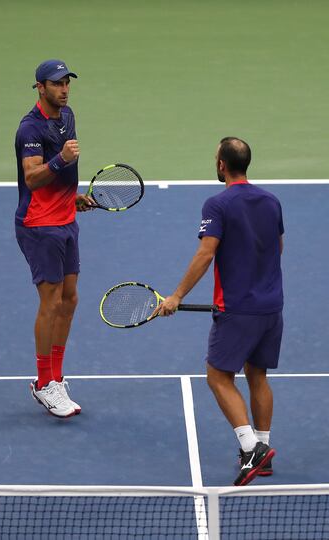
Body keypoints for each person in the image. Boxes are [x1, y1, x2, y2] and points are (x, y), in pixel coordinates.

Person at [154, 137, 284, 486]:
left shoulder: (217, 204)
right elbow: (278, 248)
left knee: (217, 377)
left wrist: (176, 296)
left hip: (237, 309)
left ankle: (250, 446)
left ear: (222, 165)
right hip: (271, 307)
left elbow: (205, 254)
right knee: (258, 376)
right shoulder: (272, 201)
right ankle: (264, 453)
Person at [15, 59, 94, 418]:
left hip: (65, 218)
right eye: (56, 84)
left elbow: (60, 176)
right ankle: (44, 382)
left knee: (70, 299)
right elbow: (32, 178)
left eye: (67, 83)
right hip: (39, 224)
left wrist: (73, 197)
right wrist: (61, 160)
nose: (63, 89)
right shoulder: (30, 129)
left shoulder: (68, 116)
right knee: (50, 302)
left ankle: (56, 376)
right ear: (39, 87)